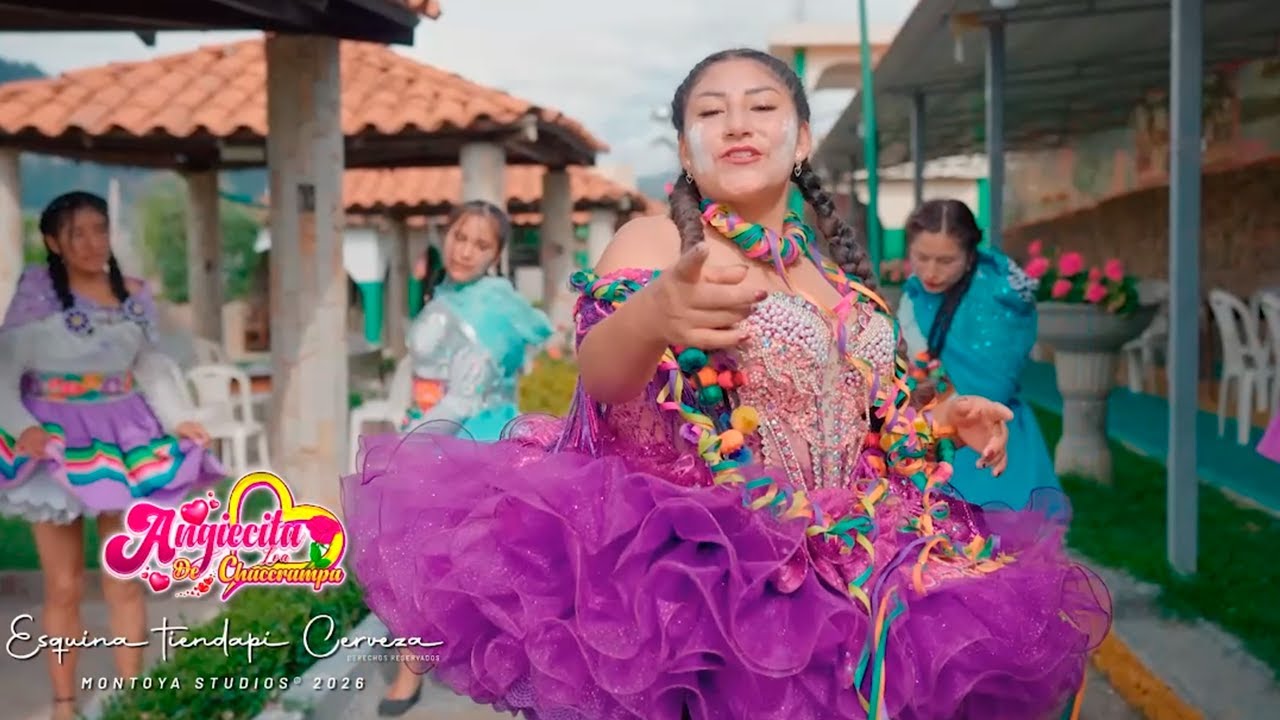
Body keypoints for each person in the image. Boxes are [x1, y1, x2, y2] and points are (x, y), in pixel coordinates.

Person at [345, 50, 1110, 720]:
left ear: (801, 137)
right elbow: (605, 377)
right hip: (709, 582)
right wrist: (654, 313)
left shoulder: (832, 272)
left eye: (763, 106)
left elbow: (858, 415)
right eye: (711, 112)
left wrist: (941, 419)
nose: (738, 122)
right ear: (685, 146)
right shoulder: (657, 241)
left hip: (859, 570)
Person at [0, 191, 225, 720]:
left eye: (99, 230)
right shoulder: (34, 296)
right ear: (53, 242)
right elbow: (4, 374)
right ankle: (63, 704)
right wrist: (24, 429)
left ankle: (133, 700)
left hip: (125, 439)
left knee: (124, 577)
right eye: (76, 233)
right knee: (63, 585)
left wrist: (179, 419)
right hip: (55, 442)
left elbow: (152, 367)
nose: (91, 242)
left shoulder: (133, 297)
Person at [377, 200, 553, 716]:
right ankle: (416, 669)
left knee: (465, 562)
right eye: (460, 236)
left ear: (496, 255)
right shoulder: (450, 291)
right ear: (444, 233)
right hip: (433, 429)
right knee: (420, 560)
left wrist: (409, 444)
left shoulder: (490, 305)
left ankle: (518, 673)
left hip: (468, 440)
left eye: (481, 244)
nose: (465, 250)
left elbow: (464, 395)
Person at [896, 199, 1060, 510]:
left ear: (970, 257)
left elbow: (995, 382)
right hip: (932, 436)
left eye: (946, 261)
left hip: (991, 437)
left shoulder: (1001, 298)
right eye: (922, 257)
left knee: (997, 545)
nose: (930, 271)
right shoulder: (914, 294)